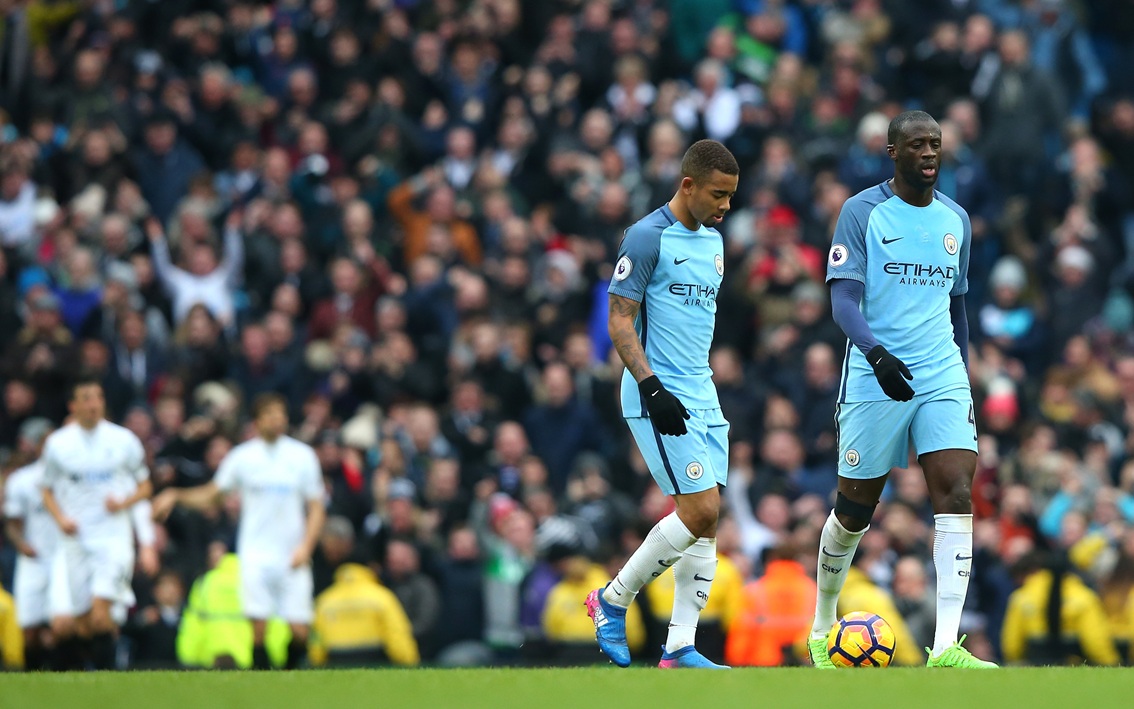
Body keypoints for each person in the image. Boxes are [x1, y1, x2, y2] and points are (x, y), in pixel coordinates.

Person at [808, 110, 997, 669]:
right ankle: (822, 625)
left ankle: (944, 648)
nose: (929, 153)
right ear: (892, 152)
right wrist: (875, 352)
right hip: (875, 370)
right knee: (854, 511)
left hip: (940, 372)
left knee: (957, 493)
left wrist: (960, 373)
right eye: (917, 145)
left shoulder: (956, 220)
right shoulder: (861, 211)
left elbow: (956, 306)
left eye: (935, 144)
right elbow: (843, 299)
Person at [586, 139, 738, 669]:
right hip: (658, 392)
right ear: (688, 184)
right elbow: (620, 319)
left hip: (702, 390)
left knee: (706, 520)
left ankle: (679, 646)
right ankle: (611, 599)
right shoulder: (647, 236)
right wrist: (652, 386)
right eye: (718, 194)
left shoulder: (715, 243)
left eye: (731, 197)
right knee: (699, 510)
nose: (725, 207)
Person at [153, 392, 326, 670]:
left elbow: (317, 508)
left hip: (292, 554)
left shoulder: (302, 456)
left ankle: (287, 673)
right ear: (257, 422)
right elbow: (213, 495)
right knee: (258, 628)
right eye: (270, 414)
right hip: (255, 554)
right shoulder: (243, 457)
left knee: (300, 632)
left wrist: (306, 546)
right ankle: (264, 686)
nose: (276, 420)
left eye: (280, 414)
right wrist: (175, 495)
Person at [40, 380, 153, 670]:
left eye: (98, 397)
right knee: (81, 621)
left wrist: (123, 503)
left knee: (101, 613)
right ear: (73, 405)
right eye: (86, 398)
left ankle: (106, 679)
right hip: (76, 539)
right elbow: (46, 488)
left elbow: (145, 486)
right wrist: (61, 519)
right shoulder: (58, 444)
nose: (93, 404)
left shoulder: (123, 439)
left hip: (112, 537)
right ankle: (88, 677)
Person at [3, 418, 56, 670]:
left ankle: (67, 676)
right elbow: (12, 522)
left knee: (63, 624)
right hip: (34, 560)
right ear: (37, 447)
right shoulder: (22, 480)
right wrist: (21, 543)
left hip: (64, 559)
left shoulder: (71, 479)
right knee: (29, 626)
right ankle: (33, 675)